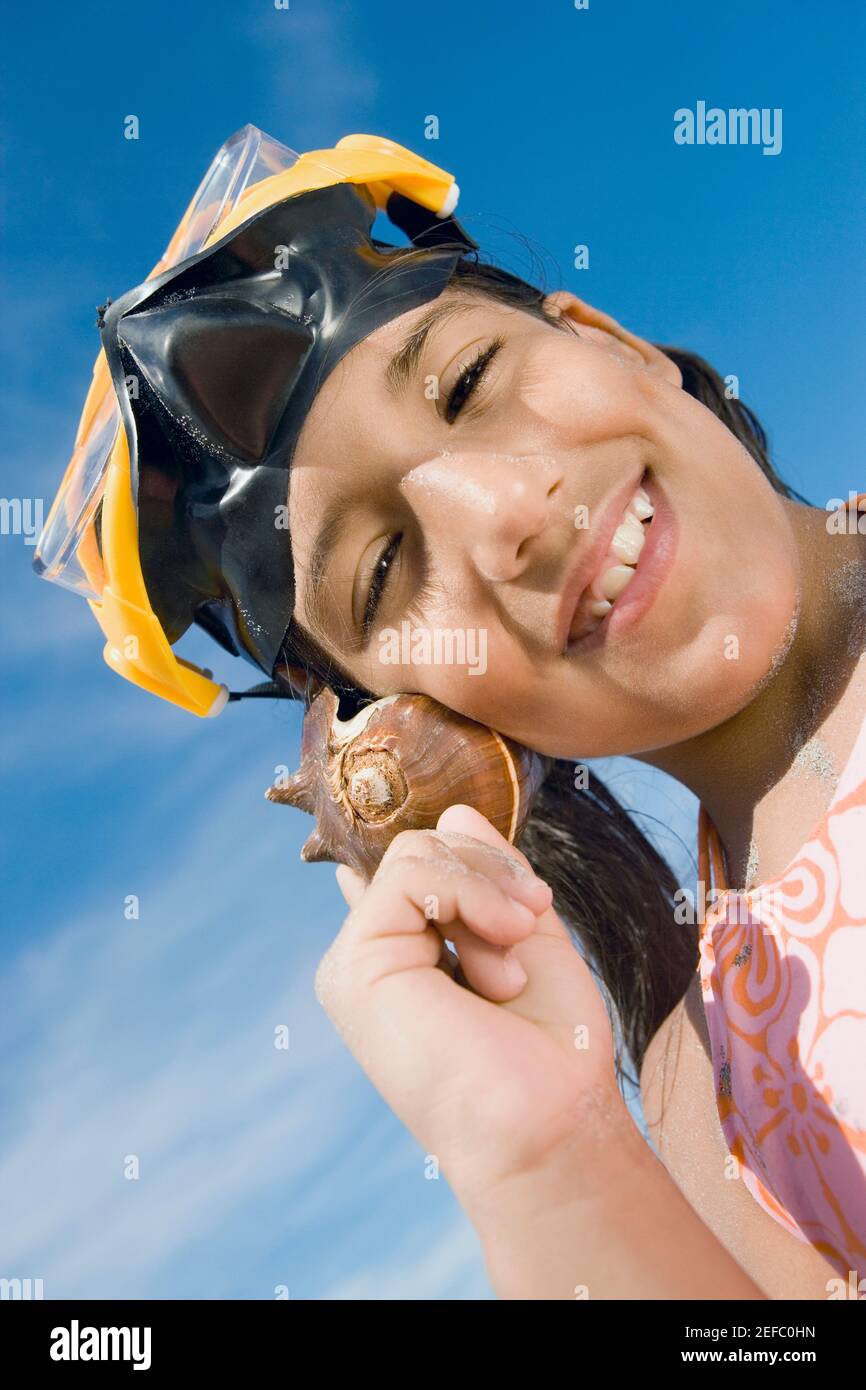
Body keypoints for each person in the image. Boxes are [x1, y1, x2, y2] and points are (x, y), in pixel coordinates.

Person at [37, 127, 866, 1299]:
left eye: (467, 384)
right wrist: (545, 1158)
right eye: (384, 572)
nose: (506, 514)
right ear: (417, 715)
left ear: (614, 344)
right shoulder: (713, 1106)